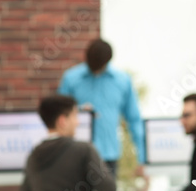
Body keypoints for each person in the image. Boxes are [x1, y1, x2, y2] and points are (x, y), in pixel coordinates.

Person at [58, 38, 146, 178]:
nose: (95, 69)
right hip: (76, 155)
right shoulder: (71, 79)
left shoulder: (123, 81)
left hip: (108, 155)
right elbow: (59, 117)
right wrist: (79, 112)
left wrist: (141, 157)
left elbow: (134, 120)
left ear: (107, 61)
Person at [21, 95, 116, 191]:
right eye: (75, 116)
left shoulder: (32, 156)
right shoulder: (84, 150)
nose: (77, 122)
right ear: (62, 121)